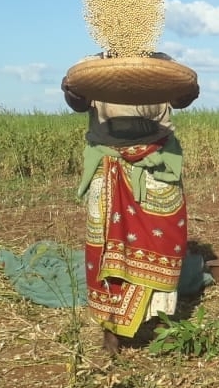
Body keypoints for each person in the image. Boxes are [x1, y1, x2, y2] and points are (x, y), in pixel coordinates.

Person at [61, 52, 199, 353]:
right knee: (108, 247)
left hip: (157, 161)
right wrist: (70, 89)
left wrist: (190, 87)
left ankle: (162, 324)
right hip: (109, 161)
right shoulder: (93, 66)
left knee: (164, 244)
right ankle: (112, 332)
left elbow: (182, 99)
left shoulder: (161, 64)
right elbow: (79, 104)